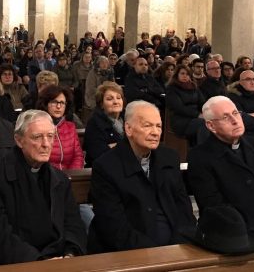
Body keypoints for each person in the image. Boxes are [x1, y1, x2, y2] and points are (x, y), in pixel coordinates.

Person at [0, 110, 87, 265]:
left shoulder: (60, 179)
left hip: (59, 261)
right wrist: (37, 262)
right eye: (37, 137)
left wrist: (70, 254)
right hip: (16, 263)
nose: (46, 144)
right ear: (19, 140)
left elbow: (73, 225)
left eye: (50, 136)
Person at [88, 100, 195, 252]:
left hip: (174, 248)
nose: (155, 132)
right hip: (130, 252)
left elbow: (184, 208)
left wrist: (178, 244)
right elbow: (113, 226)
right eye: (147, 126)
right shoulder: (106, 166)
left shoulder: (169, 157)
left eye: (158, 126)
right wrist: (155, 254)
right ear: (128, 129)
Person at [188, 96, 254, 230]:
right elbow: (213, 205)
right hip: (234, 233)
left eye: (235, 113)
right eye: (225, 117)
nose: (235, 120)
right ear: (211, 126)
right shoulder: (200, 157)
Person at [37, 85, 84, 170]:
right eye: (54, 102)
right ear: (46, 103)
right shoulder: (37, 127)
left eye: (62, 103)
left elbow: (78, 156)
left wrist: (71, 174)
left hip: (70, 175)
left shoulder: (70, 127)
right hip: (47, 175)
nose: (58, 106)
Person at [83, 82, 125, 166]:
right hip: (104, 169)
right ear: (101, 104)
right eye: (110, 99)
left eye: (118, 98)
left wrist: (113, 146)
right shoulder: (94, 123)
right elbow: (99, 154)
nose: (116, 102)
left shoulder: (128, 119)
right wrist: (125, 146)